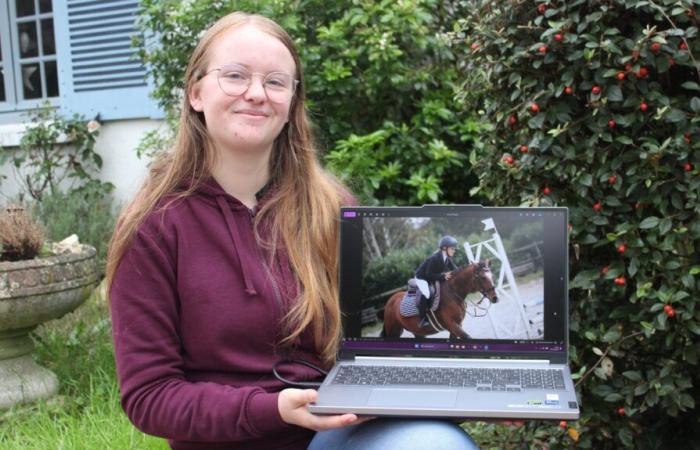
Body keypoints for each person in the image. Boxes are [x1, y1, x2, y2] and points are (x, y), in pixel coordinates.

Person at [106, 11, 479, 450]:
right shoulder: (153, 226)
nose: (256, 94)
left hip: (341, 430)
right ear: (196, 93)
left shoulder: (333, 207)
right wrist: (272, 408)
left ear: (291, 105)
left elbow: (368, 352)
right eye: (235, 76)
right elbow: (150, 396)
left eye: (276, 82)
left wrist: (468, 395)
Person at [414, 236, 459, 327]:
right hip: (422, 278)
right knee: (427, 293)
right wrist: (443, 276)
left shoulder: (447, 258)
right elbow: (428, 274)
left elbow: (455, 270)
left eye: (454, 249)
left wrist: (467, 269)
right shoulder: (434, 258)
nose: (454, 251)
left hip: (432, 277)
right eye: (452, 249)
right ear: (444, 248)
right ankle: (422, 319)